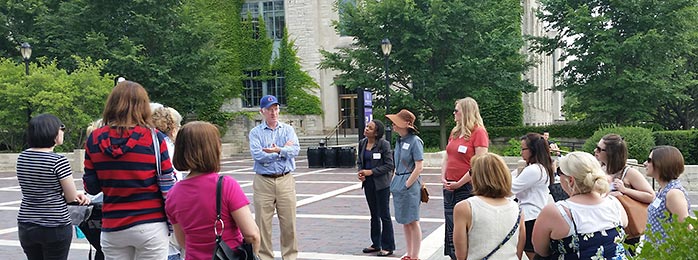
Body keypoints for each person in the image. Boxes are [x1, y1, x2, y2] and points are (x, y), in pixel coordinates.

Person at [83, 80, 175, 260]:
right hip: (151, 224)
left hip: (113, 225)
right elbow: (167, 184)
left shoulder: (94, 139)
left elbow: (91, 188)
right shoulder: (154, 139)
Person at [165, 121, 260, 260]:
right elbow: (252, 234)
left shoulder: (173, 194)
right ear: (212, 149)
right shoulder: (226, 185)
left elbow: (182, 241)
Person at [16, 114, 91, 260]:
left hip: (26, 223)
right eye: (61, 128)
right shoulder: (58, 161)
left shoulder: (22, 157)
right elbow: (70, 197)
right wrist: (80, 197)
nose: (63, 131)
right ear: (52, 132)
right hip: (55, 224)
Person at [532, 152, 628, 259]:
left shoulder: (557, 212)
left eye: (560, 172)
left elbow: (540, 250)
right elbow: (624, 226)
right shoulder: (614, 203)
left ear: (571, 180)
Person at [248, 95, 300, 260]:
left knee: (289, 223)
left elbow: (296, 150)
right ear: (262, 111)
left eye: (276, 108)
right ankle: (265, 257)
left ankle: (290, 256)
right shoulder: (255, 133)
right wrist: (283, 151)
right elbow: (258, 155)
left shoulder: (288, 130)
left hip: (285, 178)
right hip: (263, 181)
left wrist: (277, 151)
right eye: (269, 109)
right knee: (263, 224)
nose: (273, 112)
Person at [441, 97, 489, 260]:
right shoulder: (455, 132)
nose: (454, 113)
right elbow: (447, 156)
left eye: (457, 110)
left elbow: (478, 164)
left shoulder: (478, 132)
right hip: (449, 186)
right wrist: (443, 177)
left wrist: (459, 183)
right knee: (451, 227)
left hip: (467, 187)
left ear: (466, 112)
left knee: (465, 229)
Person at [453, 153, 524, 260]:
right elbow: (518, 252)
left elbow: (461, 255)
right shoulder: (518, 208)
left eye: (471, 173)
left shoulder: (465, 207)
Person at [595, 134, 654, 247]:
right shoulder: (599, 170)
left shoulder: (629, 173)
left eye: (599, 149)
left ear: (611, 153)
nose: (595, 151)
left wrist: (624, 191)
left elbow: (650, 196)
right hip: (602, 226)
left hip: (626, 231)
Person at [386, 109, 424, 260]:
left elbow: (419, 166)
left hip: (409, 182)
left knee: (412, 220)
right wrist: (396, 181)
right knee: (404, 221)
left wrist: (407, 184)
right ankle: (409, 253)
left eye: (395, 123)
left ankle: (415, 255)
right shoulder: (400, 141)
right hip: (399, 181)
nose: (393, 125)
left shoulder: (415, 141)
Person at [512, 133, 554, 260]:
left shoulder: (534, 170)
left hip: (530, 216)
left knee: (532, 254)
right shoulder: (539, 167)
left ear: (533, 150)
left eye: (523, 149)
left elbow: (510, 188)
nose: (521, 153)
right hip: (534, 215)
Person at [357, 119, 396, 257]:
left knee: (384, 215)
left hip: (382, 185)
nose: (366, 128)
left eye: (370, 128)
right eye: (367, 126)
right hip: (368, 184)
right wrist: (361, 172)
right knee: (374, 214)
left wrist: (371, 172)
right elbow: (360, 161)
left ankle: (388, 246)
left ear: (377, 132)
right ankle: (376, 243)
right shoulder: (362, 143)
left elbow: (389, 165)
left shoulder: (383, 145)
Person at [152, 105, 184, 260]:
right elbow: (173, 181)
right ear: (173, 128)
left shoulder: (149, 143)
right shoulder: (167, 146)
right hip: (166, 214)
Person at [645, 146, 692, 244]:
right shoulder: (663, 190)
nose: (645, 163)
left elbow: (685, 229)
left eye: (649, 160)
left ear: (661, 164)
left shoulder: (673, 194)